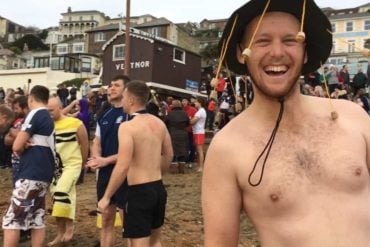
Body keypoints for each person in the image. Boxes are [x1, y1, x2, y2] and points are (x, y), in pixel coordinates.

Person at [202, 0, 370, 246]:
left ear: (306, 52)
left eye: (291, 41)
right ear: (241, 53)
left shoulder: (353, 117)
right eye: (262, 41)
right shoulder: (226, 148)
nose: (277, 52)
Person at [98, 80, 173, 247]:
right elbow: (169, 155)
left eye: (124, 97)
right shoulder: (158, 123)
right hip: (158, 188)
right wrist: (158, 172)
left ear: (131, 100)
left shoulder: (128, 127)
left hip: (138, 191)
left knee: (139, 242)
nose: (122, 101)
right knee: (155, 241)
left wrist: (107, 196)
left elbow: (123, 165)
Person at [2, 85, 55, 247]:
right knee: (36, 218)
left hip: (30, 173)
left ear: (31, 99)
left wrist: (21, 143)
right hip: (44, 174)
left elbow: (17, 146)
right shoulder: (48, 117)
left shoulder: (35, 114)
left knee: (12, 220)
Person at [85, 74, 130, 247]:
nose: (111, 88)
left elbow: (132, 152)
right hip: (105, 173)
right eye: (110, 85)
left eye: (116, 85)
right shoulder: (105, 114)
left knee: (129, 225)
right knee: (106, 220)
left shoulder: (130, 115)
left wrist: (106, 160)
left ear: (126, 90)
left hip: (125, 173)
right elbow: (96, 141)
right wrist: (97, 158)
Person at [46, 96, 89, 246]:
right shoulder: (47, 126)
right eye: (46, 111)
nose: (48, 113)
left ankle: (70, 226)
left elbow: (84, 144)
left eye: (51, 110)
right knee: (56, 200)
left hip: (72, 164)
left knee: (62, 193)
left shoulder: (75, 123)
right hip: (55, 167)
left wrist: (82, 164)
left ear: (59, 107)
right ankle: (60, 233)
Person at [165, 99, 189, 174]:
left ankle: (173, 170)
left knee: (173, 151)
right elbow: (188, 123)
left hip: (173, 134)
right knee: (182, 151)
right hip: (183, 134)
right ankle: (181, 169)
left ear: (173, 105)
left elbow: (165, 123)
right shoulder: (185, 113)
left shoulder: (170, 114)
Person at [190, 97, 207, 172]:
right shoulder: (200, 111)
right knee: (198, 150)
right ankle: (199, 166)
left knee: (199, 150)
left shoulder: (200, 111)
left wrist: (190, 119)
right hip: (197, 132)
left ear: (200, 103)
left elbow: (193, 122)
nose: (195, 103)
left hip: (199, 132)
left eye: (196, 102)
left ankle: (201, 167)